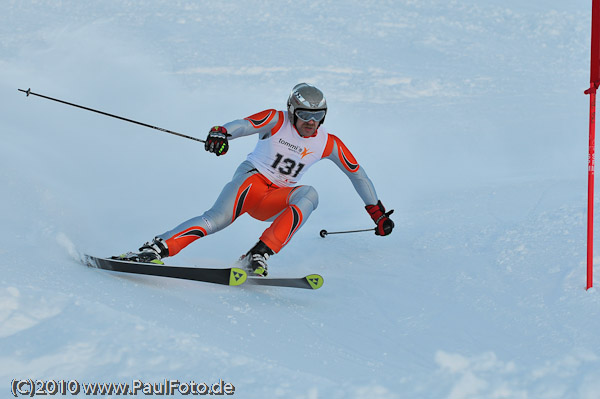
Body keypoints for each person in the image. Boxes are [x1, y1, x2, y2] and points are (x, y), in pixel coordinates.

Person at [117, 83, 394, 276]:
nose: (311, 122)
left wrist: (376, 213)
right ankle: (156, 248)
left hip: (275, 199)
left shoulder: (328, 142)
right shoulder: (276, 119)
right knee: (217, 219)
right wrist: (221, 133)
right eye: (305, 115)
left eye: (318, 116)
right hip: (251, 183)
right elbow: (245, 124)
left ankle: (257, 254)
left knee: (309, 194)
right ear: (292, 111)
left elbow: (357, 174)